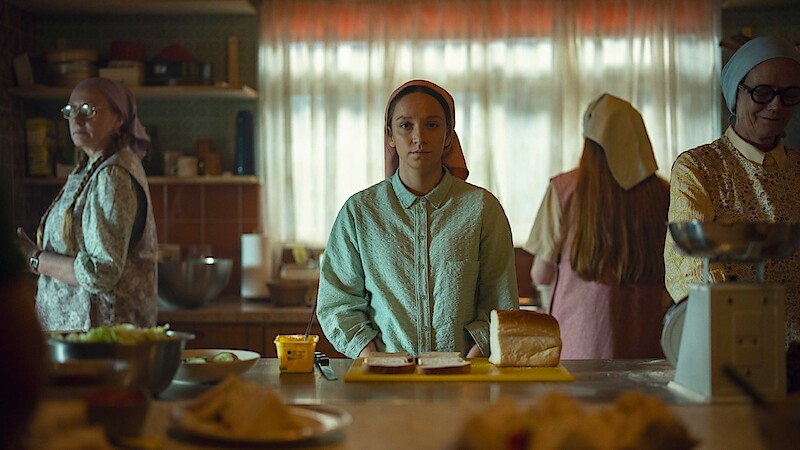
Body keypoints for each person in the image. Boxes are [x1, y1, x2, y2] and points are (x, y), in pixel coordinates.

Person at [317, 80, 519, 359]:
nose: (419, 137)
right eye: (405, 125)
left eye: (432, 125)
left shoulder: (482, 209)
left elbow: (500, 300)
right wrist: (371, 357)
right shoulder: (359, 213)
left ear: (449, 135)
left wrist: (471, 359)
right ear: (389, 135)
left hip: (464, 382)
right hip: (384, 382)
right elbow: (337, 301)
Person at [664, 37, 800, 350]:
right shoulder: (698, 167)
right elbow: (692, 266)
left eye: (789, 94)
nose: (776, 105)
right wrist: (738, 321)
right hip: (729, 342)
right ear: (735, 97)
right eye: (762, 92)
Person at [524, 93, 670, 359]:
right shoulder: (663, 193)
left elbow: (540, 275)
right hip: (646, 348)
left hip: (578, 348)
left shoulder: (563, 190)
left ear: (589, 141)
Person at [16, 77, 158, 331]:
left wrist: (34, 259)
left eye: (88, 111)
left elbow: (99, 272)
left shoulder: (112, 176)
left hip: (99, 343)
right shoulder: (92, 169)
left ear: (118, 119)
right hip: (85, 340)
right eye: (71, 111)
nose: (76, 120)